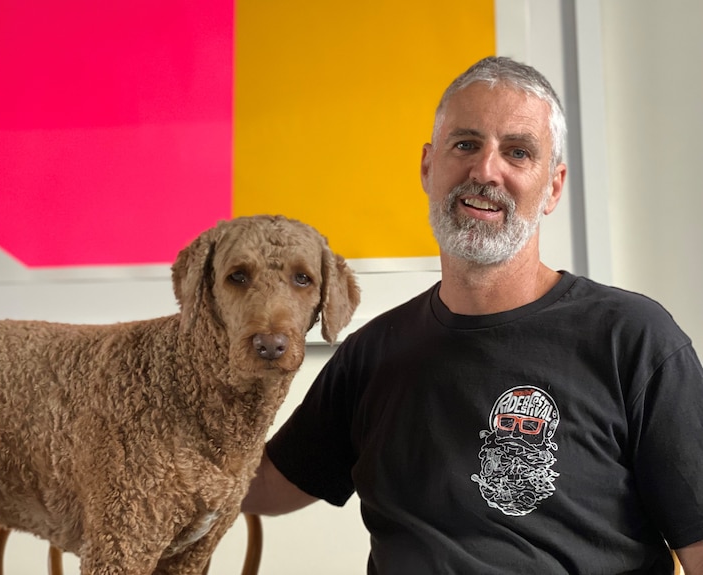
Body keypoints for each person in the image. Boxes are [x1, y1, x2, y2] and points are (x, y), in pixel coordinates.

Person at [241, 56, 703, 574]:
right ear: (427, 167)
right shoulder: (371, 355)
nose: (485, 171)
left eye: (518, 152)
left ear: (552, 186)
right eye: (465, 144)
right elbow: (258, 487)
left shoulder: (633, 341)